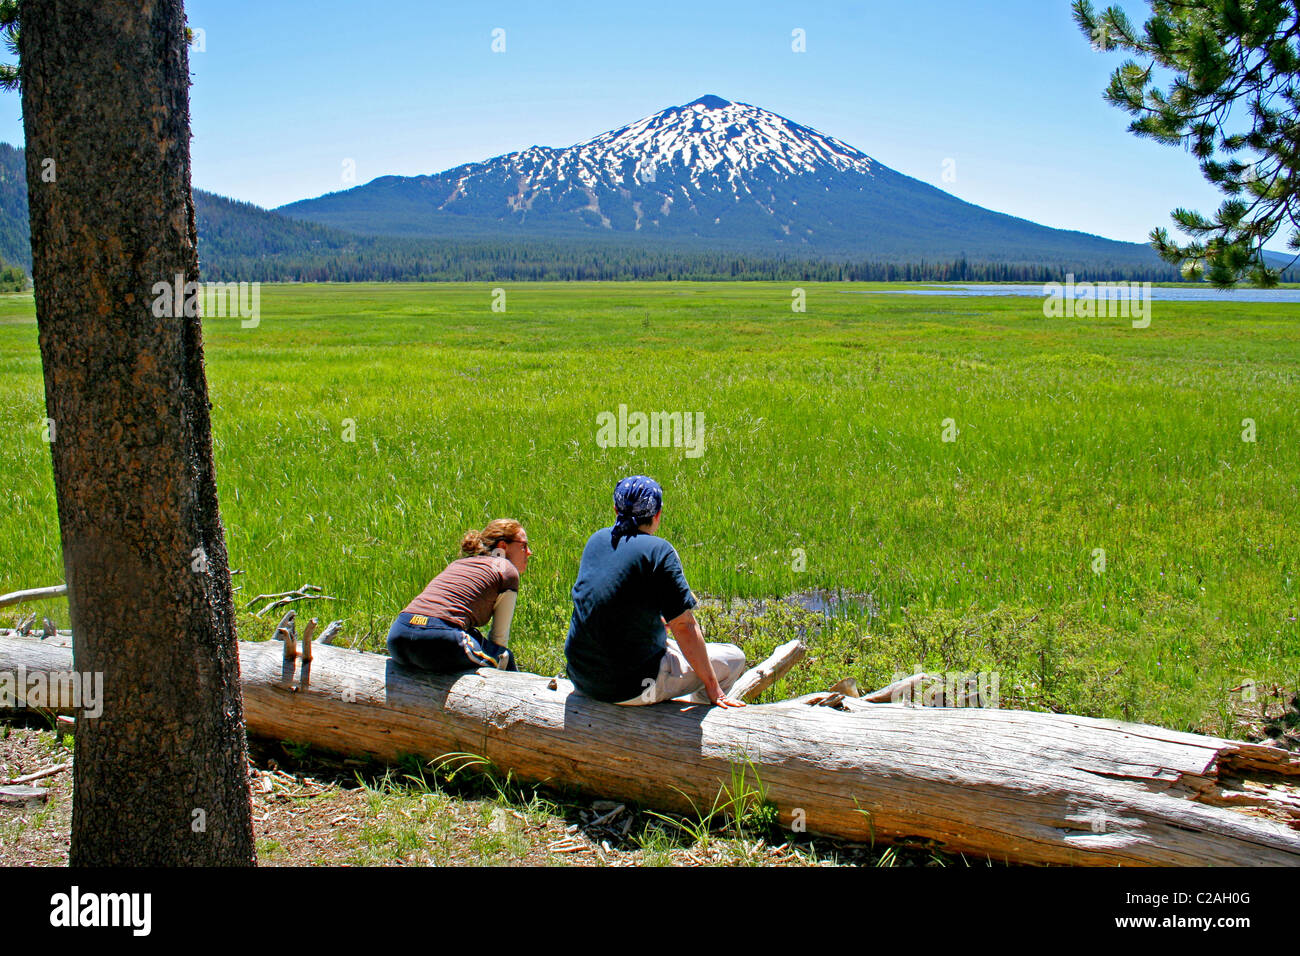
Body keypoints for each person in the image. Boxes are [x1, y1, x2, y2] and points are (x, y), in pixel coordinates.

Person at [565, 476, 746, 707]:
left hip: (581, 677)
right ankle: (693, 722)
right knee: (733, 658)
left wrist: (648, 620)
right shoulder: (660, 551)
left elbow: (604, 603)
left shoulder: (596, 540)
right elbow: (684, 627)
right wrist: (713, 687)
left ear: (615, 509)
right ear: (657, 514)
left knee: (672, 648)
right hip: (633, 686)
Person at [387, 519, 532, 673]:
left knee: (473, 636)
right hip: (438, 638)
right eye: (523, 545)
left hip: (399, 634)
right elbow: (499, 638)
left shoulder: (460, 563)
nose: (529, 552)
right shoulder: (506, 569)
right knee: (504, 657)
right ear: (503, 546)